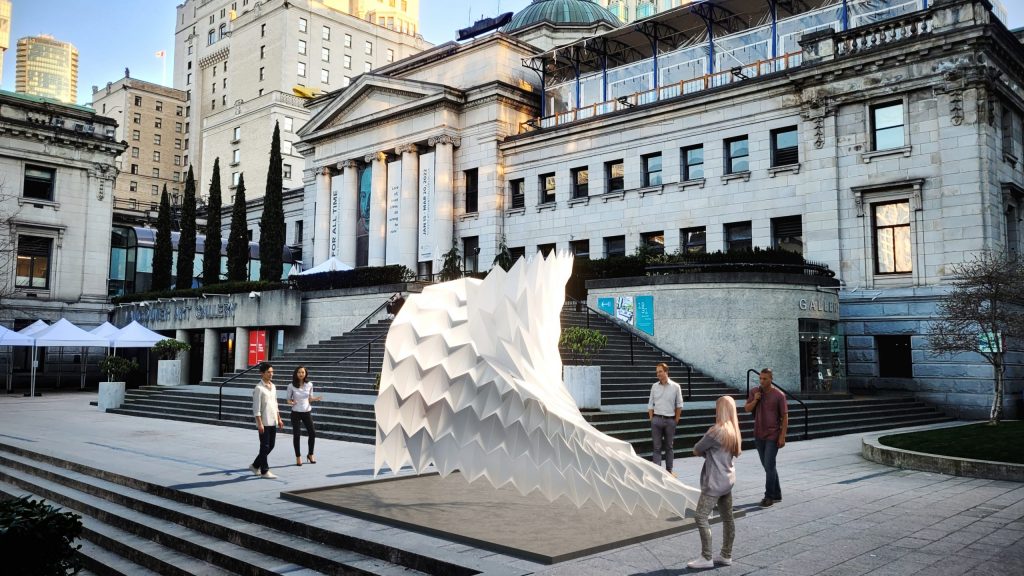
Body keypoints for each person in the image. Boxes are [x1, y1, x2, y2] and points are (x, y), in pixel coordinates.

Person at [687, 396, 740, 569]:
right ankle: (726, 554)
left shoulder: (716, 431)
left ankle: (706, 557)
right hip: (727, 480)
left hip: (714, 481)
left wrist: (706, 453)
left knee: (700, 516)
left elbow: (697, 449)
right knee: (727, 518)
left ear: (721, 410)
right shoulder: (734, 431)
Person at [745, 367, 788, 506]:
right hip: (758, 434)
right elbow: (747, 409)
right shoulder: (754, 392)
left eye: (765, 379)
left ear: (771, 379)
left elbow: (785, 417)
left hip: (772, 434)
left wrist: (782, 436)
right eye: (760, 378)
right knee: (768, 466)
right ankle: (777, 493)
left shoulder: (779, 395)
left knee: (769, 465)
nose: (762, 381)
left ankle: (769, 496)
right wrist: (756, 400)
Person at [647, 362, 683, 476]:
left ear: (666, 372)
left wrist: (675, 420)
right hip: (656, 420)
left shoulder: (675, 387)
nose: (658, 374)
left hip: (670, 420)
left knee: (669, 447)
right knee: (656, 447)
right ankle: (657, 472)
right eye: (657, 372)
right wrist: (652, 418)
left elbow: (679, 405)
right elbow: (650, 404)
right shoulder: (654, 386)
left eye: (660, 371)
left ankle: (669, 471)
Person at [250, 362, 284, 479]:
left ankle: (255, 465)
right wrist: (259, 423)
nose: (271, 374)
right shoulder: (258, 388)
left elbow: (275, 403)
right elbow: (256, 408)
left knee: (271, 445)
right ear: (262, 373)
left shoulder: (273, 386)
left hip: (273, 420)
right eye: (268, 372)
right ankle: (264, 471)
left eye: (272, 372)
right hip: (263, 422)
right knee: (264, 446)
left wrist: (279, 418)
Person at [287, 365, 322, 466]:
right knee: (297, 435)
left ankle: (310, 454)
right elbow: (288, 399)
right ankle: (298, 457)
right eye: (299, 372)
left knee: (312, 433)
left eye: (303, 372)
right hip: (295, 413)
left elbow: (310, 398)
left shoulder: (310, 384)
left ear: (305, 373)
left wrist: (315, 399)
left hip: (306, 412)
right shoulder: (291, 385)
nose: (301, 374)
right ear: (296, 374)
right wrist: (291, 402)